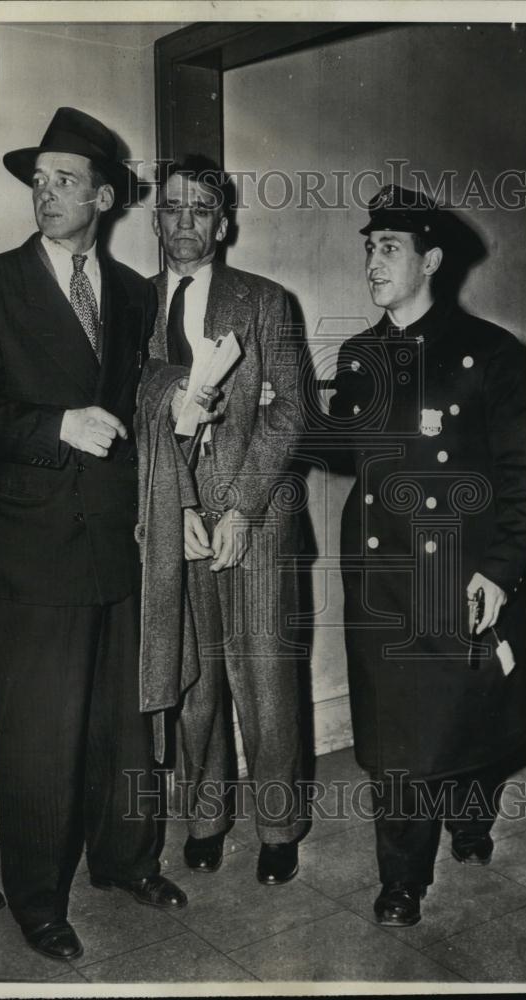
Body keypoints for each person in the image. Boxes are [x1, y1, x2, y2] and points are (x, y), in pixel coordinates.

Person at [0, 107, 187, 961]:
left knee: (123, 725)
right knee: (42, 737)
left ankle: (125, 860)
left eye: (62, 180)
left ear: (101, 196)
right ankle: (37, 899)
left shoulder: (132, 294)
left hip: (119, 547)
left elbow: (142, 412)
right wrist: (56, 425)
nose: (43, 193)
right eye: (37, 180)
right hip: (31, 551)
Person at [327, 184, 526, 926]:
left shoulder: (492, 354)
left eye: (388, 249)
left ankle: (471, 816)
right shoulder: (358, 354)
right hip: (382, 578)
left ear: (430, 260)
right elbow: (341, 447)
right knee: (395, 734)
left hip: (461, 570)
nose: (371, 262)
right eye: (368, 248)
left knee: (470, 715)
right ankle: (402, 878)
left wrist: (502, 569)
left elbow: (521, 476)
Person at [136, 157, 307, 885]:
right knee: (194, 681)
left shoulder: (266, 302)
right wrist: (175, 510)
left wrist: (240, 506)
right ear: (155, 219)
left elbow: (290, 410)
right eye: (172, 207)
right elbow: (134, 416)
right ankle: (205, 818)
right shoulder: (130, 305)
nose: (184, 222)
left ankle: (278, 825)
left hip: (255, 518)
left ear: (223, 222)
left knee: (264, 679)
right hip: (174, 519)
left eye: (200, 208)